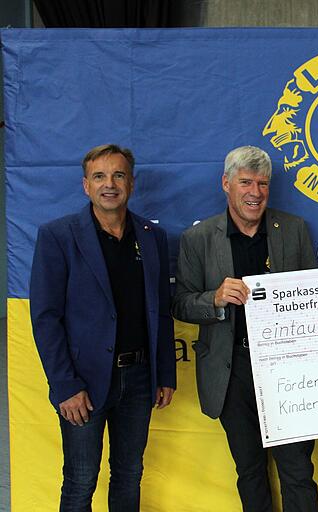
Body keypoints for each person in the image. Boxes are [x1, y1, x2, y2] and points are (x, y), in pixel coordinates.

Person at [172, 145, 318, 512]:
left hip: (288, 371)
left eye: (263, 184)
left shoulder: (295, 230)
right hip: (232, 368)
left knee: (298, 470)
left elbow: (317, 299)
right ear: (226, 183)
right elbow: (180, 303)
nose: (255, 192)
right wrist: (216, 299)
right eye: (245, 182)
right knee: (250, 471)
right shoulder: (199, 238)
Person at [29, 144, 176, 511]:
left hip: (140, 379)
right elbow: (46, 318)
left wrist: (164, 373)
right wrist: (65, 386)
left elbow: (160, 311)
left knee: (129, 475)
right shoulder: (57, 236)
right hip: (83, 383)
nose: (109, 184)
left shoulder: (151, 237)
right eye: (99, 176)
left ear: (132, 182)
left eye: (118, 175)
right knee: (80, 481)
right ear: (85, 186)